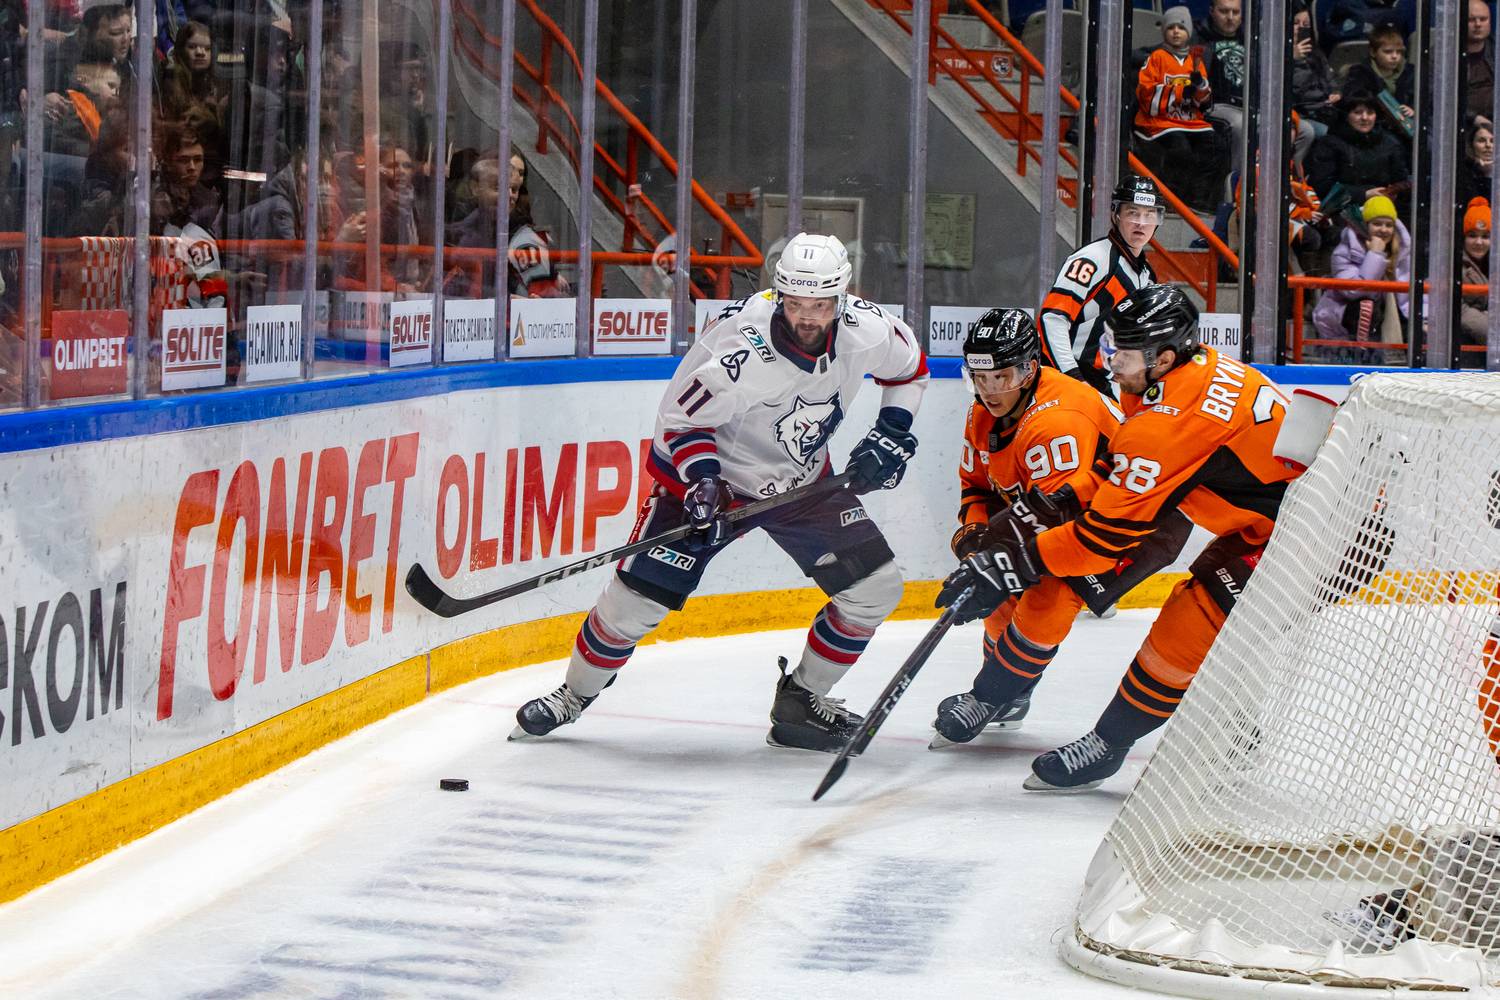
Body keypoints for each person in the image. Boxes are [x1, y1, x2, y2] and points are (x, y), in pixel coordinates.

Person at [511, 233, 930, 754]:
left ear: (841, 297)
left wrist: (890, 431)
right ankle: (572, 695)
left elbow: (909, 371)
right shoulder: (738, 351)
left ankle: (801, 702)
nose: (806, 317)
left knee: (876, 589)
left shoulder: (866, 329)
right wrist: (704, 482)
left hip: (802, 482)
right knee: (631, 605)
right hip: (715, 480)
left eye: (819, 305)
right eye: (795, 303)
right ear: (779, 294)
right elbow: (680, 423)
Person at [937, 284, 1298, 790]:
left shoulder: (1171, 423)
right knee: (1221, 618)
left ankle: (1111, 744)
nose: (1109, 361)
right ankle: (1230, 725)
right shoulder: (1180, 375)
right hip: (1274, 516)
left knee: (1194, 619)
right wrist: (1043, 511)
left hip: (1322, 530)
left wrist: (1011, 563)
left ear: (1163, 356)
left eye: (1121, 352)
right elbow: (1112, 473)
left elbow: (1095, 542)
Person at [927, 308, 1192, 748]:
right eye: (982, 377)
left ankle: (990, 694)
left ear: (1030, 369)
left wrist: (997, 559)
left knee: (1049, 591)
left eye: (1003, 376)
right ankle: (1008, 692)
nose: (991, 390)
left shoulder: (1057, 421)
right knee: (998, 582)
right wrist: (976, 544)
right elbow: (977, 488)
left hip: (1139, 521)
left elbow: (1057, 520)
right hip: (1069, 511)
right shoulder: (984, 413)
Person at [1038, 175, 1161, 397]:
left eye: (1149, 214)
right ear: (1116, 214)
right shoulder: (1092, 259)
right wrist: (1072, 376)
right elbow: (1053, 318)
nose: (1141, 222)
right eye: (1132, 212)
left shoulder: (1147, 275)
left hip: (1099, 380)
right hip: (1065, 375)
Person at [1133, 6, 1227, 212]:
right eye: (1171, 27)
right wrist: (1181, 92)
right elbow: (1146, 93)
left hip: (1191, 121)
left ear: (1189, 32)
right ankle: (1172, 199)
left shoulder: (1195, 60)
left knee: (1216, 147)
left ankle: (1199, 200)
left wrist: (1200, 88)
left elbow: (1204, 100)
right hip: (1161, 122)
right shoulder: (1156, 57)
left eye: (1181, 27)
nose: (1176, 31)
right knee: (1180, 149)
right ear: (1164, 31)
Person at [1311, 194, 1411, 357]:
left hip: (1379, 322)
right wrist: (1375, 254)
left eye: (1389, 225)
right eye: (1377, 224)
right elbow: (1354, 291)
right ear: (1365, 226)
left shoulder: (1399, 253)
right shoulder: (1343, 251)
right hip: (1341, 320)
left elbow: (1406, 297)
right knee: (1365, 305)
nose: (1384, 230)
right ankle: (1362, 355)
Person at [1305, 90, 1410, 217]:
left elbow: (1402, 179)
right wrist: (1364, 194)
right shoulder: (1329, 144)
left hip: (1384, 211)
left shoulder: (1390, 143)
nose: (1365, 118)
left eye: (1370, 112)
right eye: (1357, 112)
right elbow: (1321, 186)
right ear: (1346, 115)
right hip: (1342, 212)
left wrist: (1394, 191)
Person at [1195, 0, 1247, 169]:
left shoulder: (1251, 38)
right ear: (1212, 11)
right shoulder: (1198, 37)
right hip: (1217, 104)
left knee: (1304, 130)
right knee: (1241, 125)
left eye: (1235, 12)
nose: (1230, 17)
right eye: (1224, 11)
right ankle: (1237, 184)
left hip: (1249, 104)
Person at [1341, 24, 1415, 139]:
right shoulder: (1360, 73)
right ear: (1373, 52)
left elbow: (1425, 100)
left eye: (1399, 52)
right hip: (1374, 127)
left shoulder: (1412, 72)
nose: (1395, 56)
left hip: (1407, 128)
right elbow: (1354, 101)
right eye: (1388, 52)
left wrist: (1413, 109)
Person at [1460, 197, 1492, 367]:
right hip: (1468, 350)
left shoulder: (1493, 263)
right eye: (1472, 235)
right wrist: (1493, 330)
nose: (1479, 242)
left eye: (1485, 236)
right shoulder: (1454, 266)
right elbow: (1460, 311)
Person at [1465, 0, 1495, 120]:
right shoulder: (1444, 54)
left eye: (1483, 19)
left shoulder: (1496, 52)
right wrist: (1472, 118)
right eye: (1471, 20)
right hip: (1459, 125)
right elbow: (1435, 99)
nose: (1478, 24)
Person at [1458, 116, 1494, 207]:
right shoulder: (1465, 173)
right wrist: (1486, 174)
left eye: (1493, 141)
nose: (1488, 145)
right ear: (1472, 146)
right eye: (1482, 140)